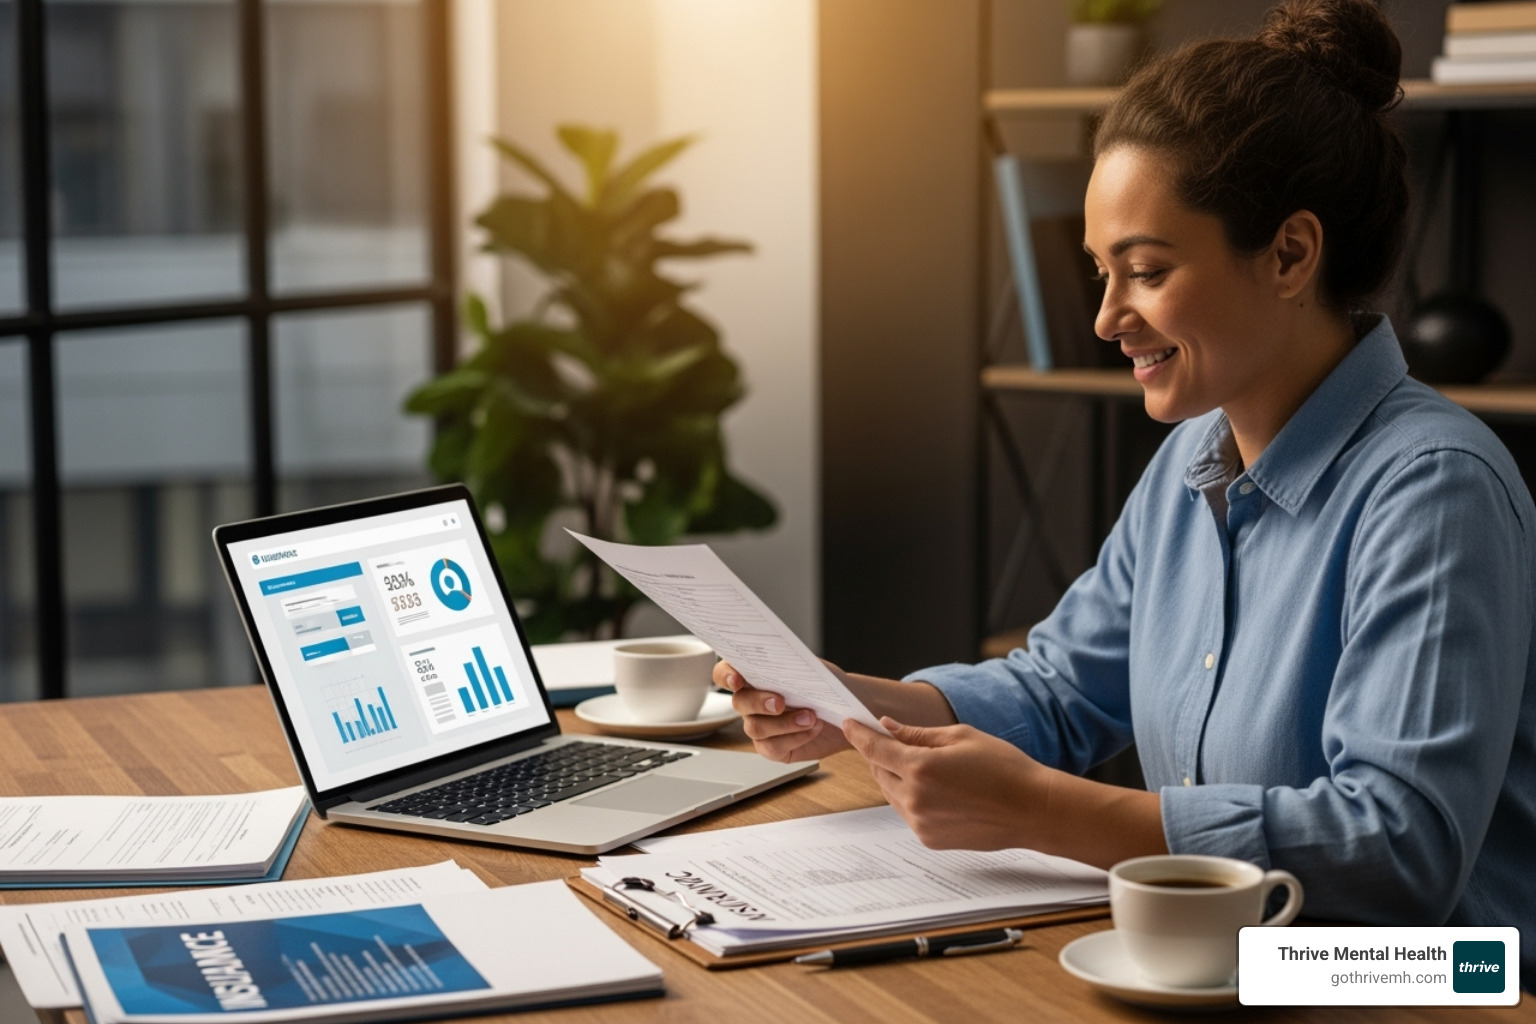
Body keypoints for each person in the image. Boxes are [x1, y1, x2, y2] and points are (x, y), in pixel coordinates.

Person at [719, 0, 1535, 987]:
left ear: (1290, 254)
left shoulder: (1433, 488)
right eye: (1101, 272)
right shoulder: (1194, 459)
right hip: (1215, 972)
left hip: (1428, 989)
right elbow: (1059, 692)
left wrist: (1043, 811)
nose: (1108, 318)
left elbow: (1400, 851)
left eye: (1147, 271)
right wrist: (846, 703)